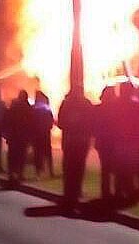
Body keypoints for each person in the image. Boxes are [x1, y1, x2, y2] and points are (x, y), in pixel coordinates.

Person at [58, 85, 93, 213]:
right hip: (81, 141)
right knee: (79, 167)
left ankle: (69, 193)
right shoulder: (87, 104)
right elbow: (91, 122)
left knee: (69, 167)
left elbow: (60, 122)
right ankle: (76, 192)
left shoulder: (66, 104)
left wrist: (70, 127)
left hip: (70, 140)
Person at [114, 82, 139, 203]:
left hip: (122, 141)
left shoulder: (116, 104)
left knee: (121, 168)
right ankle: (128, 191)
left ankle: (120, 192)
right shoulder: (135, 105)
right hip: (129, 141)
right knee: (129, 168)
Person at [95, 86, 118, 202]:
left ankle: (106, 192)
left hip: (103, 142)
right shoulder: (116, 109)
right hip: (111, 141)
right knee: (113, 168)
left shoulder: (98, 109)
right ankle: (113, 192)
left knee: (106, 168)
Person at [3, 90, 32, 183]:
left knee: (13, 155)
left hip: (14, 136)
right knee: (21, 155)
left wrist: (7, 134)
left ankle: (12, 174)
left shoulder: (13, 107)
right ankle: (19, 174)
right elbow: (31, 123)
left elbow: (7, 120)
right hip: (22, 136)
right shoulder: (28, 108)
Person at [32, 90, 55, 178]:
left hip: (36, 133)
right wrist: (49, 127)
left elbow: (31, 121)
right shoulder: (46, 108)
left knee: (37, 152)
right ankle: (50, 171)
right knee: (48, 153)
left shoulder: (33, 108)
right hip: (45, 133)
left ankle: (38, 172)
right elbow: (51, 120)